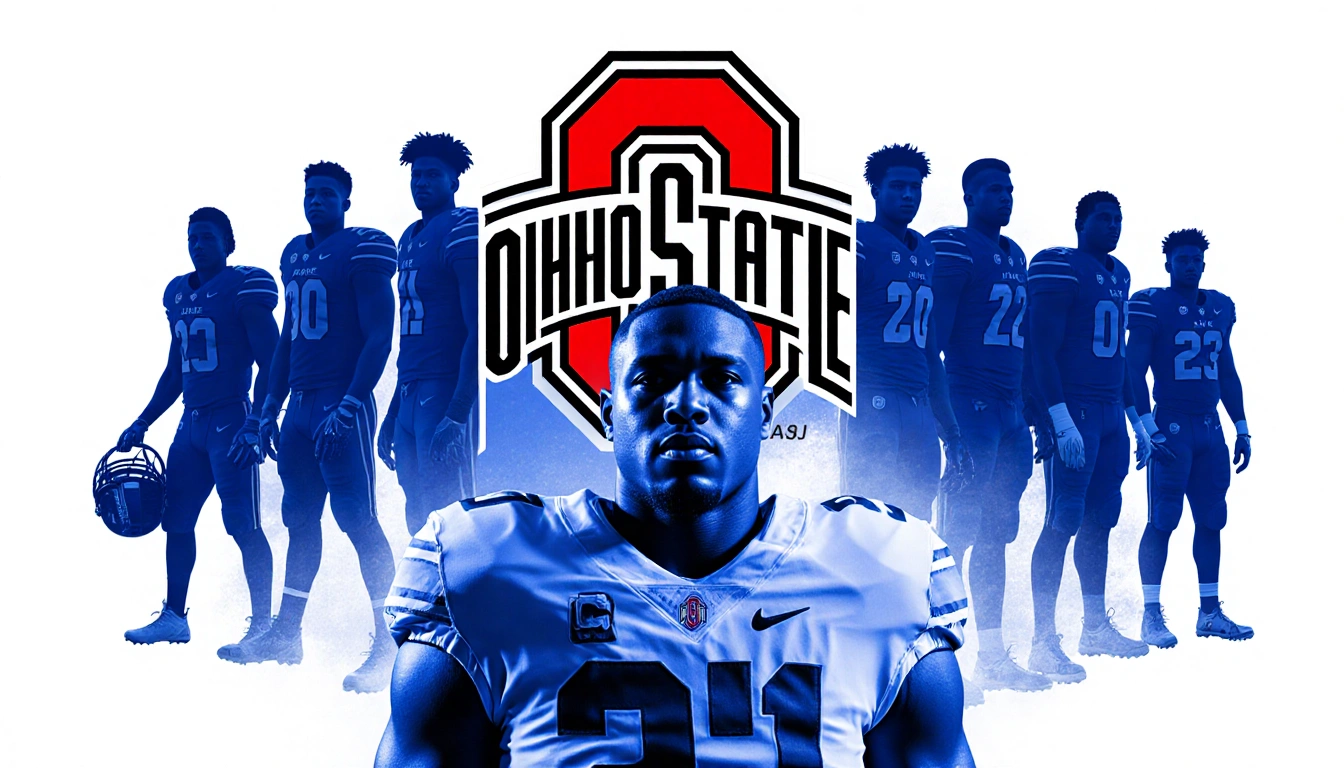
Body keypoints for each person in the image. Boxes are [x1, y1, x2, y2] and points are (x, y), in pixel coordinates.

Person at [376, 285, 975, 767]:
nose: (685, 404)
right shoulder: (486, 566)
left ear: (764, 414)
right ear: (608, 415)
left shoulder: (878, 571)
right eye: (652, 379)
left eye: (722, 378)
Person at [223, 161, 400, 694]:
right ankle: (286, 635)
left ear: (346, 202)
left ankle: (391, 642)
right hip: (298, 406)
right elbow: (288, 339)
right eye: (310, 193)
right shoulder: (294, 254)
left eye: (327, 193)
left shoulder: (362, 249)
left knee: (358, 519)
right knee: (300, 519)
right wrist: (266, 409)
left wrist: (351, 403)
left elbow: (380, 335)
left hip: (339, 402)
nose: (316, 200)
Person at [118, 207, 278, 654]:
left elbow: (272, 361)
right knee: (176, 520)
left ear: (228, 244)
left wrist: (257, 421)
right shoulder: (177, 294)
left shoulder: (244, 286)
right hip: (191, 423)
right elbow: (175, 371)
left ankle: (263, 624)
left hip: (231, 419)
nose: (198, 244)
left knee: (243, 523)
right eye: (192, 237)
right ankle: (175, 616)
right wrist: (142, 420)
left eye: (208, 237)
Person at [928, 159, 1051, 697]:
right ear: (969, 197)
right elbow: (934, 342)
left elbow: (1024, 345)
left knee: (997, 535)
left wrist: (1036, 411)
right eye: (993, 190)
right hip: (971, 403)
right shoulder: (955, 247)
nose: (1005, 198)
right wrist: (947, 424)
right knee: (954, 536)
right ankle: (937, 660)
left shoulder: (1015, 253)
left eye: (1009, 190)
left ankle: (993, 657)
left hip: (1010, 412)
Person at [1025, 191, 1154, 684]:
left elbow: (1118, 357)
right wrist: (1057, 418)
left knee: (1102, 519)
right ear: (1080, 222)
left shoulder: (1120, 275)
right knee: (1063, 519)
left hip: (1110, 414)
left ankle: (1094, 627)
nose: (1113, 226)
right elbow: (1040, 349)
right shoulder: (1060, 266)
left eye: (1118, 219)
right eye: (1103, 218)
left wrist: (1138, 421)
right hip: (1075, 407)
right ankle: (1042, 641)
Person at [1127, 228, 1253, 646]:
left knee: (1213, 518)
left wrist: (1241, 426)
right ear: (1168, 263)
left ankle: (1209, 613)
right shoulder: (1153, 304)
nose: (1190, 266)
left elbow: (1227, 372)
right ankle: (1150, 615)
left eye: (1196, 259)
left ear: (1204, 263)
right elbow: (1133, 371)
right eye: (1182, 259)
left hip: (1211, 427)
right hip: (1172, 425)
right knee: (1163, 518)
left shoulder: (1219, 307)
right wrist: (1147, 428)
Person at [843, 143, 969, 522]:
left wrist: (952, 432)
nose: (908, 195)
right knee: (866, 519)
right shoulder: (857, 241)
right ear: (875, 190)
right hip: (871, 400)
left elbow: (930, 352)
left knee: (916, 523)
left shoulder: (925, 251)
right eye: (898, 186)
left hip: (918, 406)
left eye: (915, 187)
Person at [377, 132, 479, 534]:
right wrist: (391, 414)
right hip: (411, 390)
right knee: (415, 507)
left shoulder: (462, 226)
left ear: (454, 181)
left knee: (448, 509)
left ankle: (463, 578)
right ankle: (424, 577)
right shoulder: (408, 238)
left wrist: (458, 411)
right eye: (416, 175)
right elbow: (411, 339)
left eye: (432, 174)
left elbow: (479, 328)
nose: (421, 182)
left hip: (444, 386)